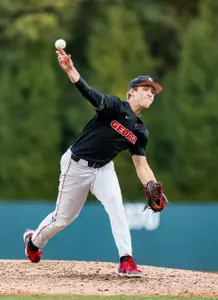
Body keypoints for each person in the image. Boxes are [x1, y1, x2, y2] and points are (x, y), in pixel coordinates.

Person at [23, 48, 165, 277]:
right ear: (132, 92)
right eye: (146, 89)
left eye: (153, 91)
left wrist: (152, 185)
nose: (151, 94)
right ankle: (33, 243)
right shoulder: (116, 106)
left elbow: (141, 165)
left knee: (118, 209)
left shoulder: (140, 131)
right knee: (62, 219)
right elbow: (90, 94)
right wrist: (71, 70)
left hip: (103, 169)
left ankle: (126, 260)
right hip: (76, 164)